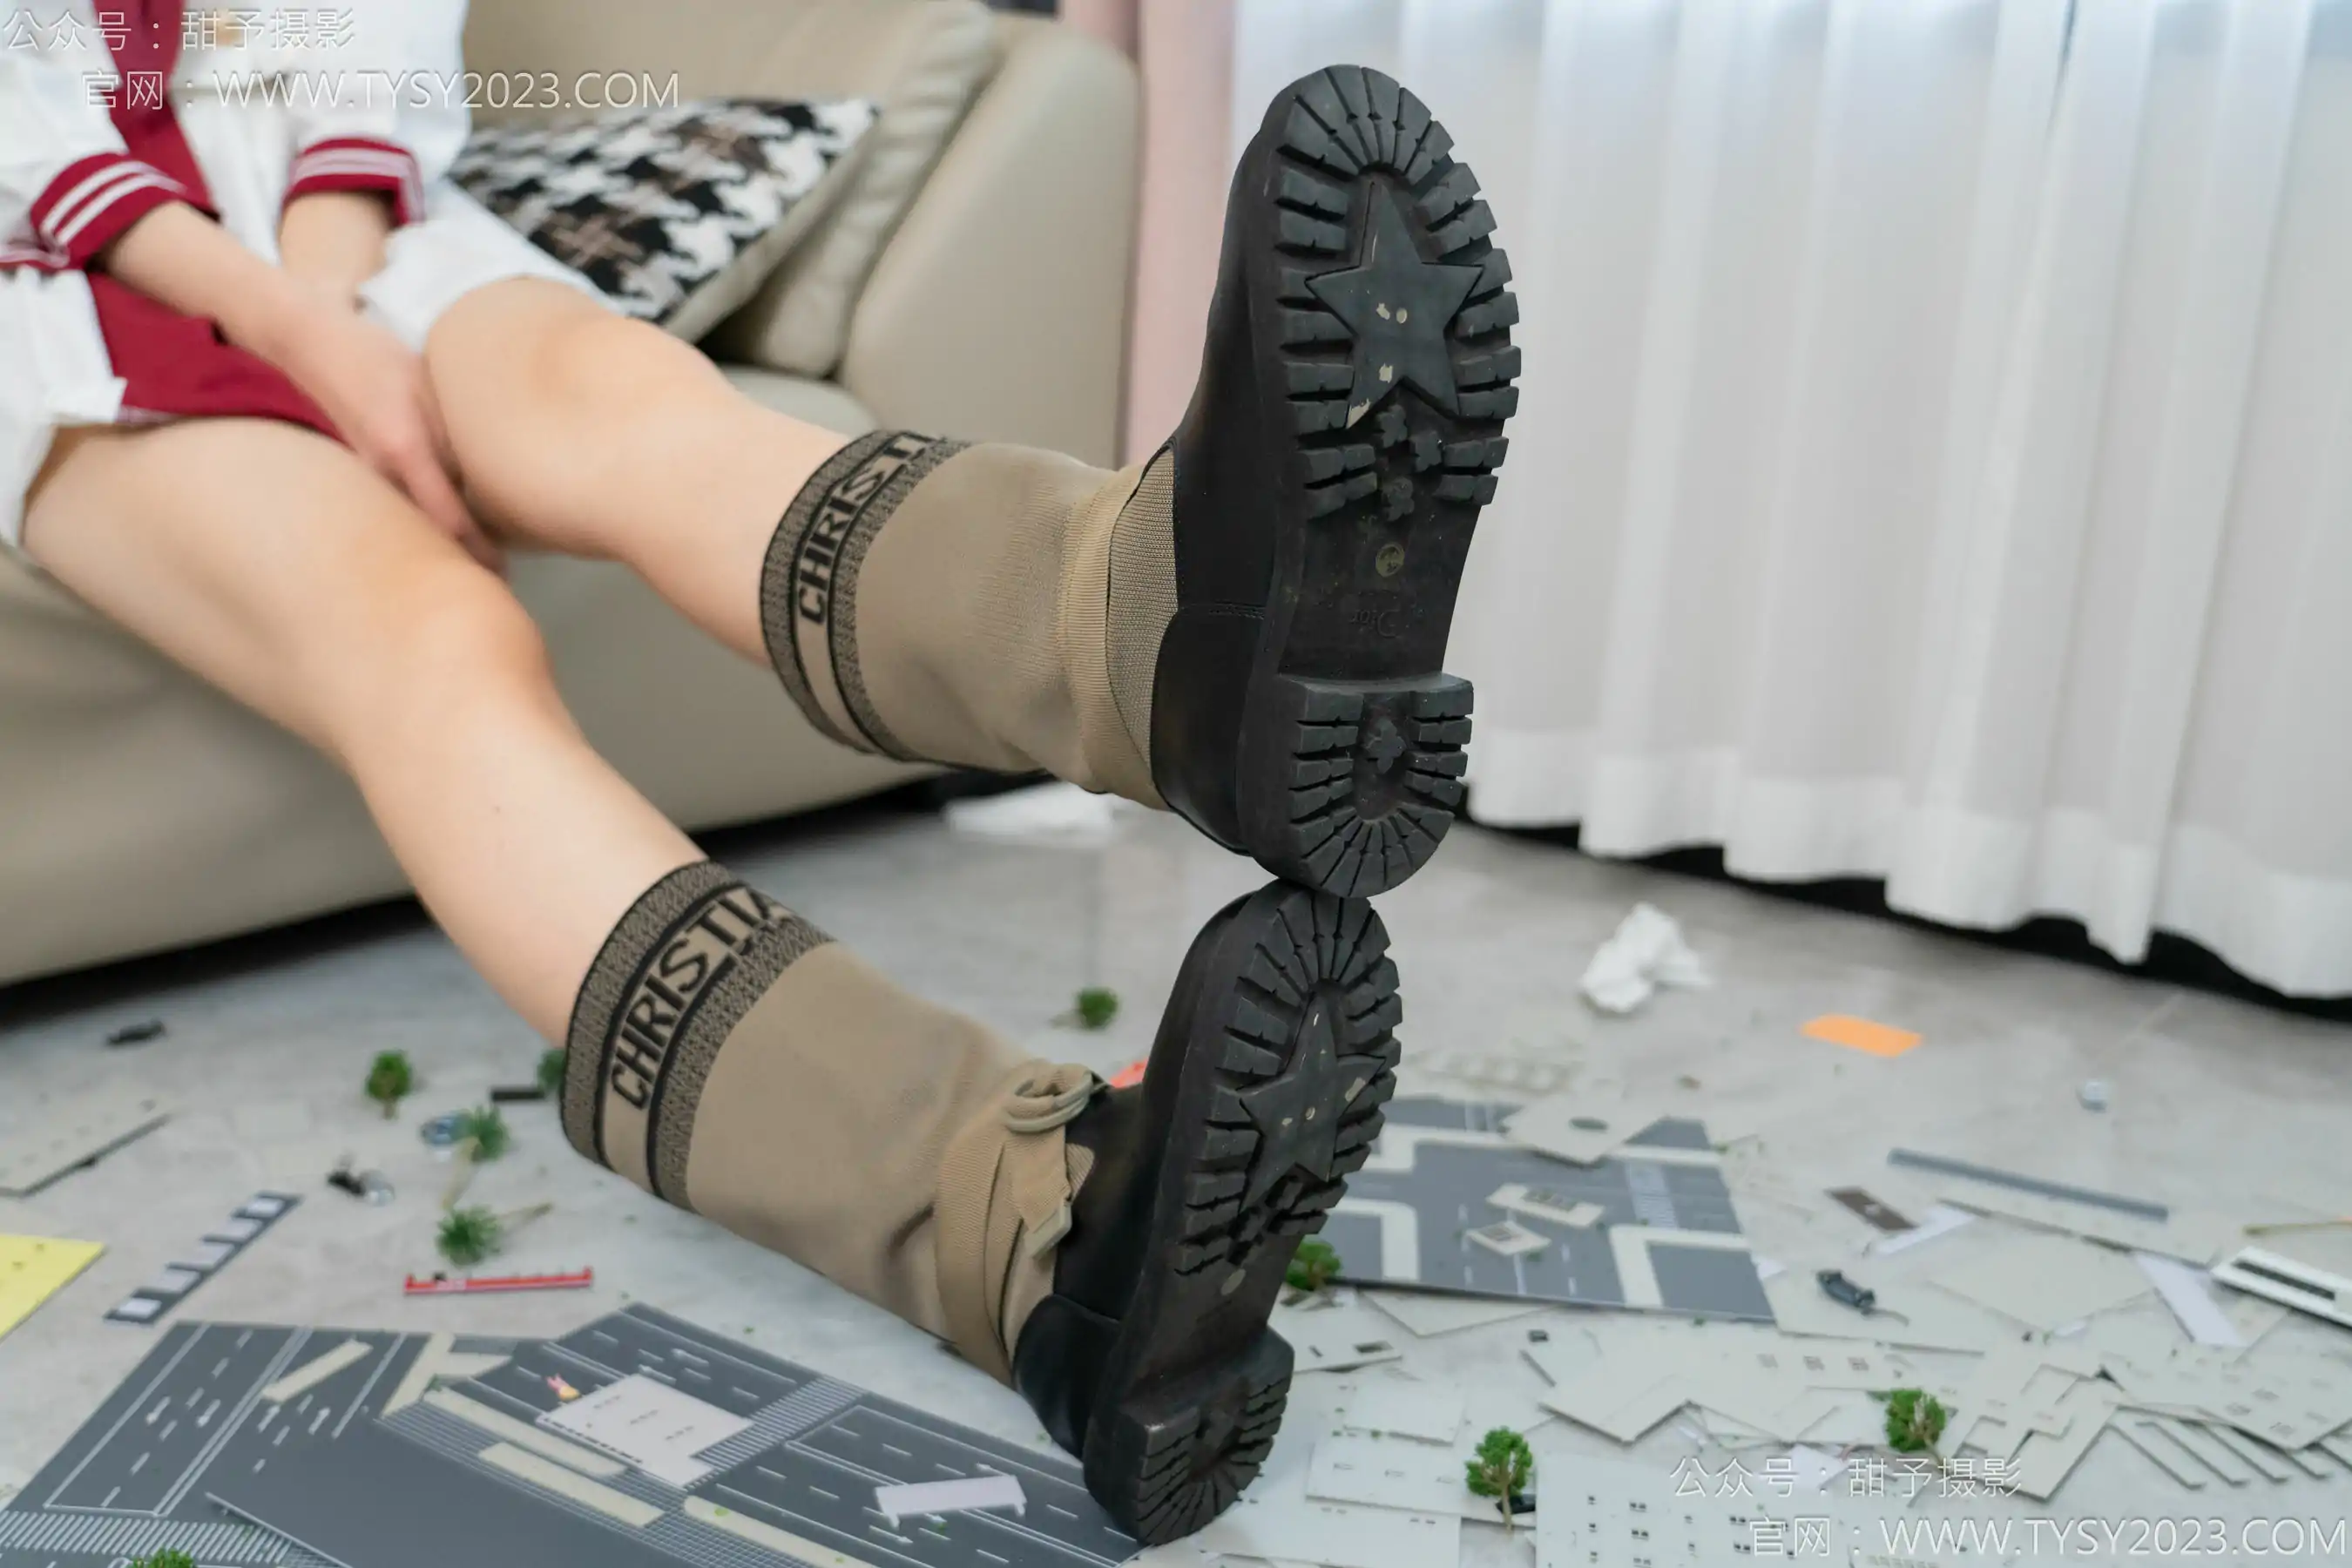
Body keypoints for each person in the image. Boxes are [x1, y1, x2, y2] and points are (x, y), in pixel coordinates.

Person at [1, 0, 1516, 1541]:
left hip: (334, 213)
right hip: (43, 287)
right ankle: (1025, 1231)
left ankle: (1157, 636)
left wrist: (334, 277)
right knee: (425, 635)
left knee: (623, 402)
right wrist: (295, 328)